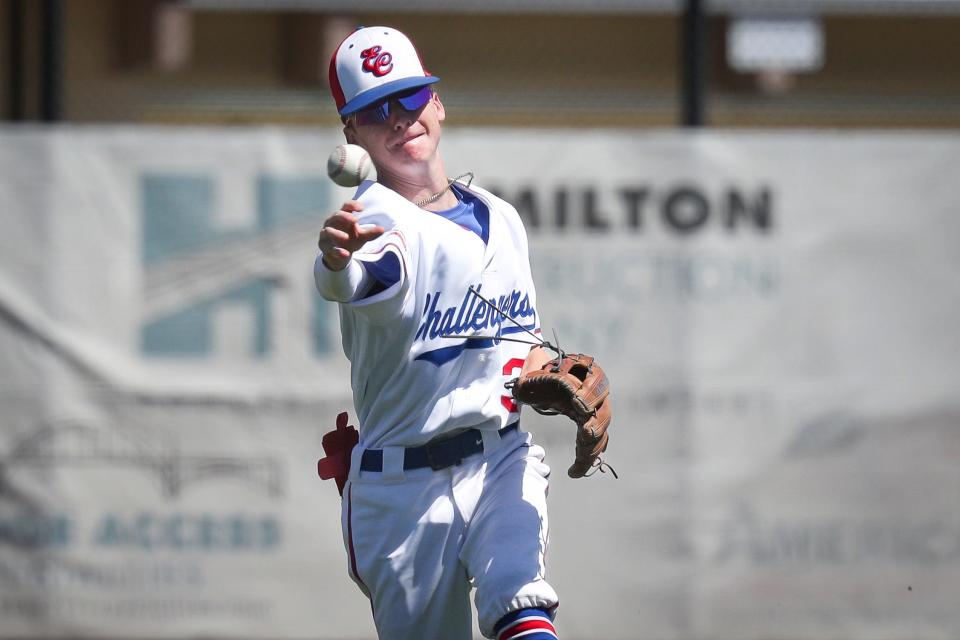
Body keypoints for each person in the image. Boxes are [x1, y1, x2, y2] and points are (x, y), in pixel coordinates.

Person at [315, 26, 560, 640]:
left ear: (438, 103)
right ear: (352, 134)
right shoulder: (374, 219)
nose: (400, 120)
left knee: (522, 602)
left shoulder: (500, 216)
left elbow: (520, 345)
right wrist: (337, 264)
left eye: (410, 97)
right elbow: (361, 275)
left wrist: (541, 370)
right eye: (375, 111)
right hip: (403, 491)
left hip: (499, 456)